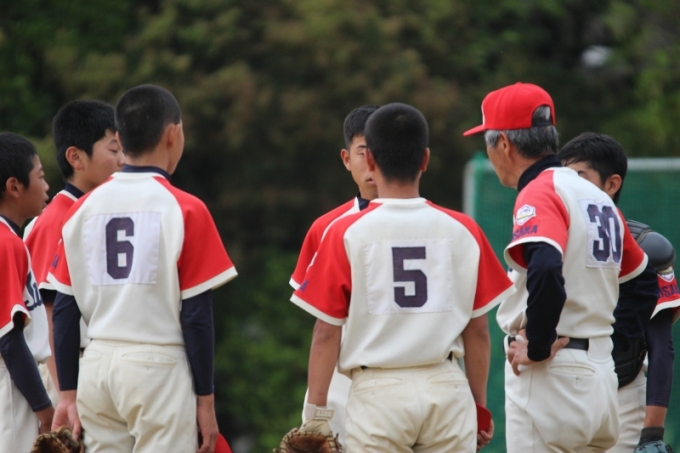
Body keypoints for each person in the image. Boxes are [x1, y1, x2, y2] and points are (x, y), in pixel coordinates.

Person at [292, 102, 514, 452]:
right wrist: (478, 406)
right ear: (425, 159)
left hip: (378, 391)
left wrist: (316, 415)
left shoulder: (343, 232)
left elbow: (325, 333)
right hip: (446, 386)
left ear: (370, 160)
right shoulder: (464, 229)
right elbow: (479, 331)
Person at [463, 82, 657, 453]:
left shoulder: (540, 191)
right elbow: (645, 279)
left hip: (551, 378)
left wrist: (538, 345)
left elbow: (546, 266)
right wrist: (611, 348)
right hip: (601, 378)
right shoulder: (597, 198)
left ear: (503, 143)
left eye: (487, 142)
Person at [47, 85, 237, 453]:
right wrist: (206, 400)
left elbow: (65, 310)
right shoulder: (185, 208)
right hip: (157, 366)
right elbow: (196, 316)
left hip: (97, 367)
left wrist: (68, 394)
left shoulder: (81, 209)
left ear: (120, 139)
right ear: (173, 134)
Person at [558, 132, 678, 453]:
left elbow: (660, 345)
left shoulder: (646, 247)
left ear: (612, 184)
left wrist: (652, 432)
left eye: (580, 176)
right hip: (559, 389)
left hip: (622, 395)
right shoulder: (552, 238)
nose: (569, 186)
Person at [23, 100, 124, 407]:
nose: (123, 160)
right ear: (76, 157)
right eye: (114, 149)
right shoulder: (58, 218)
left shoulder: (93, 212)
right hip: (65, 376)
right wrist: (67, 397)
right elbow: (47, 314)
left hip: (92, 369)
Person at [291, 104, 379, 446]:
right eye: (362, 152)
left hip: (413, 367)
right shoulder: (326, 227)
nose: (371, 162)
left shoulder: (435, 223)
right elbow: (325, 327)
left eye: (380, 151)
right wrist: (316, 407)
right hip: (344, 374)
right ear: (346, 159)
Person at [0, 132, 53, 452]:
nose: (46, 186)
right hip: (10, 386)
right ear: (14, 186)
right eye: (40, 176)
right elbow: (10, 338)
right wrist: (44, 409)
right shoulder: (7, 243)